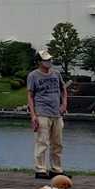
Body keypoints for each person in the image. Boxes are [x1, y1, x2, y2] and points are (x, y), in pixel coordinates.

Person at [27, 51, 68, 180]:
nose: (49, 62)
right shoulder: (33, 75)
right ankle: (40, 169)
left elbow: (63, 89)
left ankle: (56, 169)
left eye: (49, 60)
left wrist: (64, 104)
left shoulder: (56, 74)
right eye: (45, 60)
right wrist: (33, 115)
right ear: (39, 62)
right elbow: (30, 95)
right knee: (42, 142)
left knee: (57, 143)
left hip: (56, 113)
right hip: (42, 112)